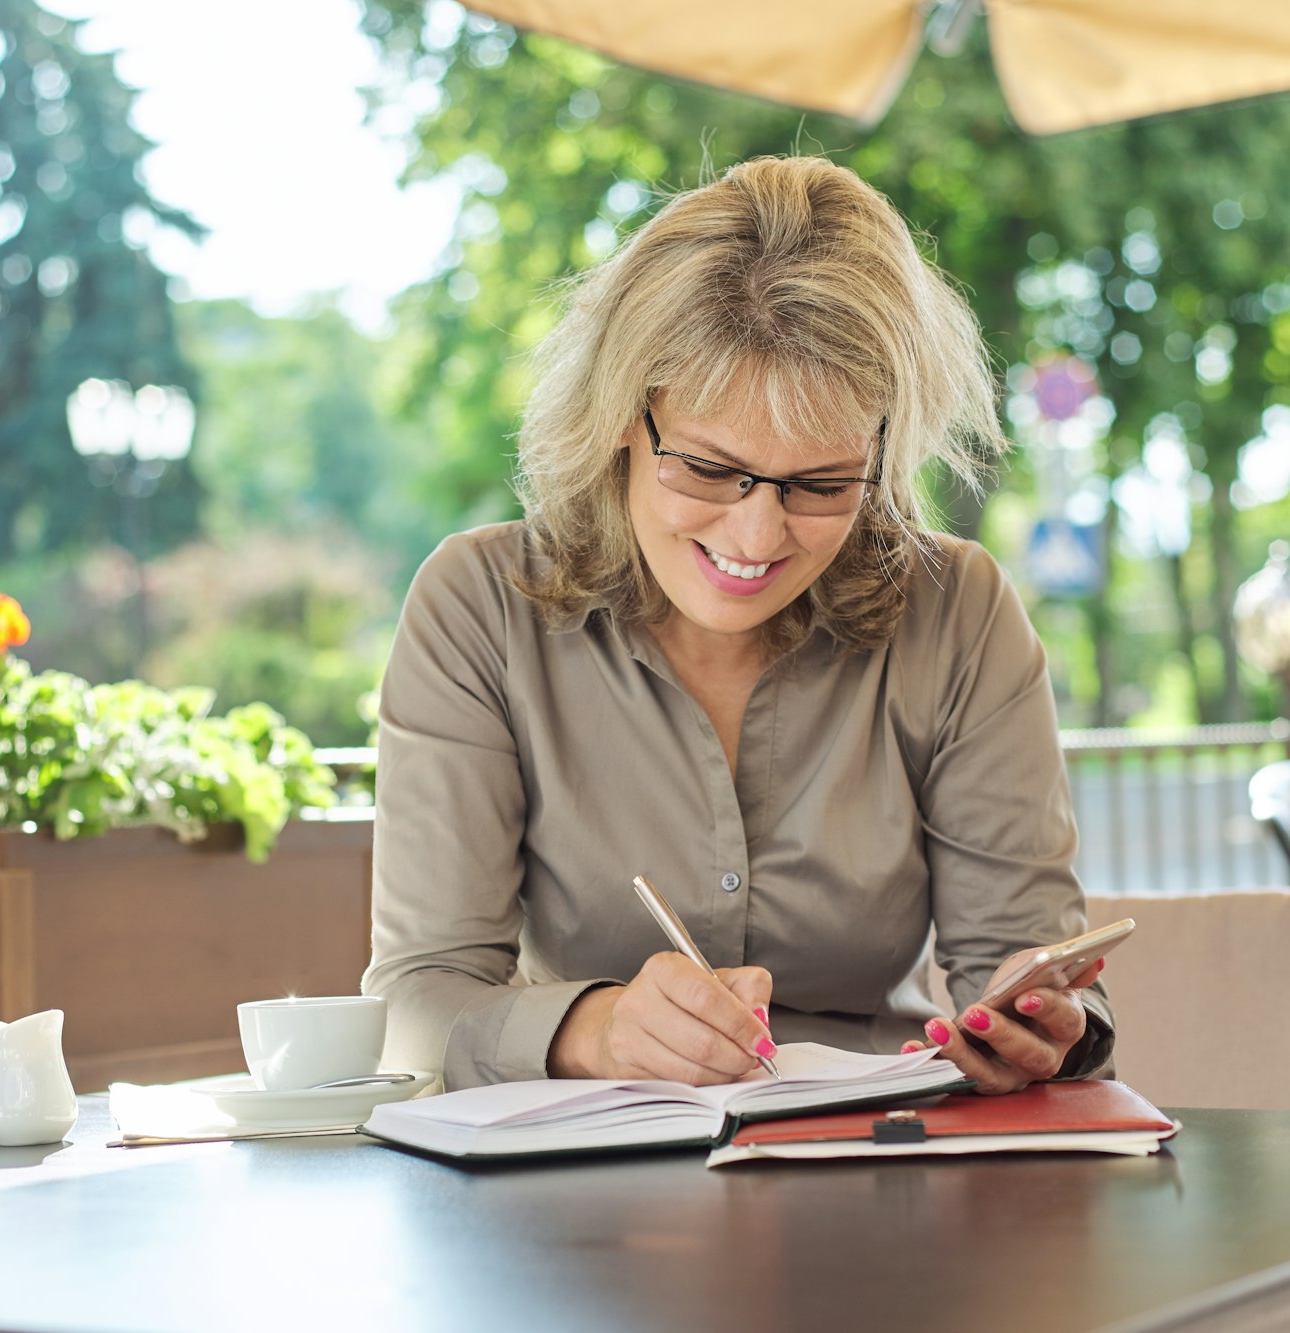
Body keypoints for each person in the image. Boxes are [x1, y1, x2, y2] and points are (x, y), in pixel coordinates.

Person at [365, 156, 1115, 1095]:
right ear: (621, 422)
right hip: (579, 1192)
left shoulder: (958, 615)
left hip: (880, 1168)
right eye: (709, 470)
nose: (756, 537)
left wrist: (1046, 1027)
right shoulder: (480, 607)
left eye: (822, 484)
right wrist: (594, 1030)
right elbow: (415, 998)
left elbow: (1027, 965)